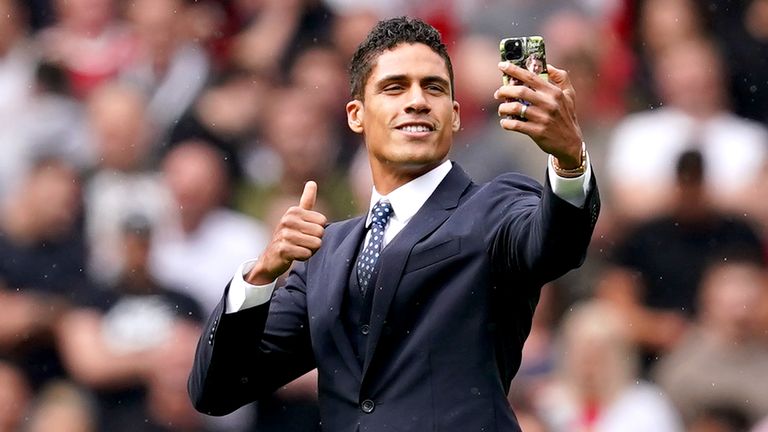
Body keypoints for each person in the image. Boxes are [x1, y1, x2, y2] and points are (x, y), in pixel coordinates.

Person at [189, 16, 599, 432]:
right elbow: (216, 390)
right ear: (356, 115)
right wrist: (260, 276)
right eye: (394, 87)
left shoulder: (495, 207)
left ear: (454, 116)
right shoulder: (323, 253)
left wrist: (569, 160)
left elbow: (558, 244)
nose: (417, 101)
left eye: (434, 87)